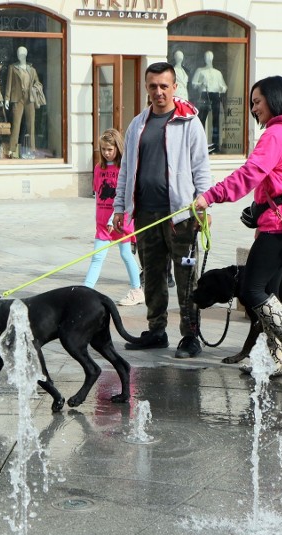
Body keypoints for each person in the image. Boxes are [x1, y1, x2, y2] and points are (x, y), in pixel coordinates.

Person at [194, 75, 282, 377]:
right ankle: (272, 357)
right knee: (270, 289)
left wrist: (211, 195)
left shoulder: (275, 134)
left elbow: (251, 172)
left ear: (275, 100)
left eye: (257, 102)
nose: (253, 108)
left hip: (278, 224)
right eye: (252, 103)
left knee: (252, 289)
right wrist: (257, 209)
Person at [112, 61, 211, 359]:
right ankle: (156, 330)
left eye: (164, 86)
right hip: (145, 214)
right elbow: (126, 170)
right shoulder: (137, 124)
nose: (158, 92)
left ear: (174, 87)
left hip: (180, 217)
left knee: (186, 279)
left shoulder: (189, 123)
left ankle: (190, 335)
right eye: (153, 86)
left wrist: (203, 203)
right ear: (146, 87)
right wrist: (120, 208)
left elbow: (201, 168)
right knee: (152, 276)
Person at [83, 128, 143, 306]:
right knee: (97, 257)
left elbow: (125, 196)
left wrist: (112, 219)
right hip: (102, 224)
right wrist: (101, 219)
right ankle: (86, 291)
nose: (106, 153)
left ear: (118, 147)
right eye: (103, 149)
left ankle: (136, 289)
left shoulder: (123, 169)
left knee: (126, 254)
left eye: (110, 149)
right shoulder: (98, 168)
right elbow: (97, 194)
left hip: (120, 222)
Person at [5, 46, 43, 159]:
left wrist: (35, 88)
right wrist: (7, 98)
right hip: (17, 98)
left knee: (31, 125)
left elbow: (38, 83)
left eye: (21, 54)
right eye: (18, 53)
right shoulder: (13, 68)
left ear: (25, 55)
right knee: (16, 125)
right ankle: (12, 150)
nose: (19, 55)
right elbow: (9, 84)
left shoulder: (32, 69)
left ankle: (32, 150)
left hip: (29, 98)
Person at [191, 51, 227, 152]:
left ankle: (215, 145)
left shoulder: (217, 72)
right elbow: (193, 84)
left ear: (212, 58)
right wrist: (201, 84)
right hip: (204, 95)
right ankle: (200, 145)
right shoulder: (200, 71)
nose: (209, 58)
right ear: (204, 58)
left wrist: (222, 88)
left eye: (210, 56)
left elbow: (224, 86)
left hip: (215, 95)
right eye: (207, 56)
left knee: (216, 121)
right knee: (201, 119)